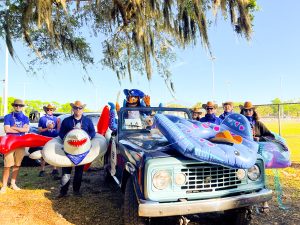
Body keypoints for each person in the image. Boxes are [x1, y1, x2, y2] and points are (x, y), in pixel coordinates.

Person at [240, 101, 274, 213]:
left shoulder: (258, 124)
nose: (248, 112)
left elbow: (270, 136)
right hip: (243, 153)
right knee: (243, 176)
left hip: (257, 155)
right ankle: (244, 202)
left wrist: (260, 139)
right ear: (243, 111)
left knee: (259, 175)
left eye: (250, 110)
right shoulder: (240, 124)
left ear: (253, 111)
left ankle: (264, 201)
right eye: (246, 110)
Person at [57, 100, 96, 198]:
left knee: (79, 172)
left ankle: (76, 191)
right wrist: (65, 138)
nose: (78, 110)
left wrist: (89, 137)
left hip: (82, 151)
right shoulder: (67, 121)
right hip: (68, 149)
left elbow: (92, 132)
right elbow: (61, 133)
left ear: (83, 109)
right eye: (75, 108)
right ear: (73, 109)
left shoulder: (87, 120)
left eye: (80, 108)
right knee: (66, 172)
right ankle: (63, 192)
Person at [0, 99, 30, 194]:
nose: (18, 107)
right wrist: (20, 130)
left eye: (20, 106)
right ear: (13, 106)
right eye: (16, 105)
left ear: (22, 107)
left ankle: (13, 183)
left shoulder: (25, 118)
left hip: (21, 143)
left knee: (17, 164)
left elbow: (26, 129)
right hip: (10, 143)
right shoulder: (8, 116)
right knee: (7, 165)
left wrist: (14, 128)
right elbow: (7, 130)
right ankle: (4, 186)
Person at [37, 104, 60, 178]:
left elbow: (58, 129)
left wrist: (58, 127)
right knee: (43, 154)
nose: (49, 111)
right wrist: (47, 128)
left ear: (53, 110)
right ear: (45, 110)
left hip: (53, 138)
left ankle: (55, 169)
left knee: (54, 153)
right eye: (48, 109)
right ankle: (42, 170)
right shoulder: (42, 119)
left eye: (51, 109)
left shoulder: (56, 119)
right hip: (44, 138)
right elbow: (40, 130)